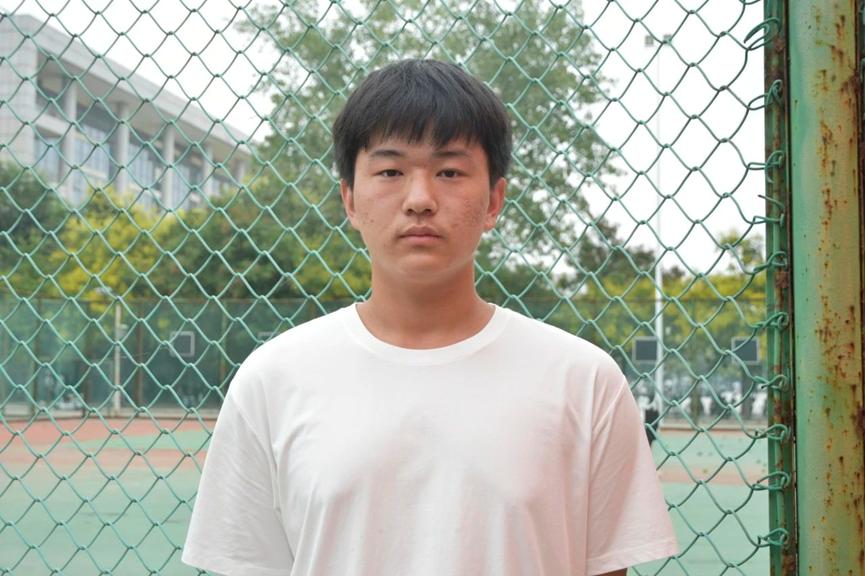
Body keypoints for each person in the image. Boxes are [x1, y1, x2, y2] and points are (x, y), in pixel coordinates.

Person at [181, 59, 678, 576]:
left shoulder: (584, 381)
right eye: (390, 172)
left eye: (450, 172)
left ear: (495, 200)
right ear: (350, 199)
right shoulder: (272, 380)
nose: (420, 200)